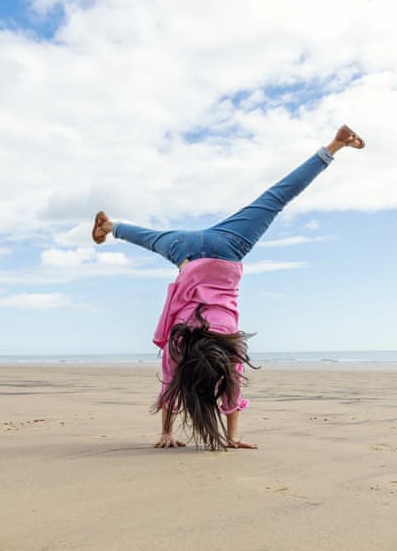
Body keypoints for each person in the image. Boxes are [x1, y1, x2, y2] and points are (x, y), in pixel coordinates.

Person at [92, 125, 365, 451]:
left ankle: (335, 146)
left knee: (276, 198)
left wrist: (221, 436)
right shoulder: (178, 347)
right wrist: (198, 435)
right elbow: (172, 387)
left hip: (224, 249)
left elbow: (213, 392)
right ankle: (111, 226)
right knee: (155, 238)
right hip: (187, 252)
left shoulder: (230, 353)